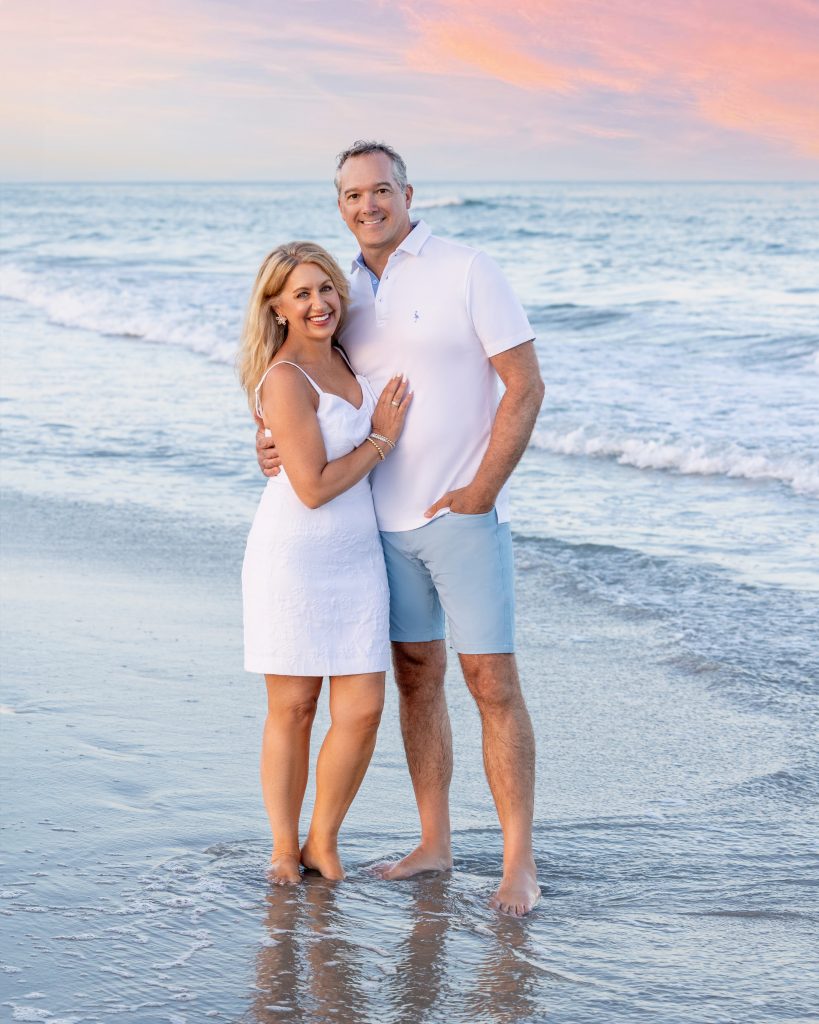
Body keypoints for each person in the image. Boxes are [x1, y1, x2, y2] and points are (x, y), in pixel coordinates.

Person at [257, 143, 545, 916]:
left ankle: (518, 863)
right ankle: (434, 842)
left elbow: (524, 383)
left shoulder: (466, 268)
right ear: (340, 205)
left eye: (380, 190)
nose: (367, 205)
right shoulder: (342, 289)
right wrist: (271, 441)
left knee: (491, 683)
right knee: (417, 678)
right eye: (352, 195)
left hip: (461, 516)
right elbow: (309, 386)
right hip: (373, 528)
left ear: (406, 192)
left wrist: (483, 489)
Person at [239, 240, 412, 886]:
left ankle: (323, 839)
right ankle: (284, 848)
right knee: (294, 709)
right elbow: (309, 487)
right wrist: (380, 440)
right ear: (276, 307)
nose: (319, 303)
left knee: (363, 709)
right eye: (301, 294)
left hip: (356, 558)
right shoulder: (284, 378)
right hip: (294, 559)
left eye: (326, 289)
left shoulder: (344, 355)